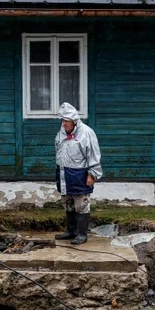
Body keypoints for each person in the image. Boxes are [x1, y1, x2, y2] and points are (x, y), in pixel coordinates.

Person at [54, 102, 102, 245]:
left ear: (74, 121)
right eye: (62, 120)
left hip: (79, 174)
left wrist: (93, 174)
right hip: (63, 173)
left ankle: (82, 234)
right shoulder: (61, 132)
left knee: (81, 204)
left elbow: (93, 154)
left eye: (66, 121)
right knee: (67, 203)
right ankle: (71, 231)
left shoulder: (86, 133)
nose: (64, 124)